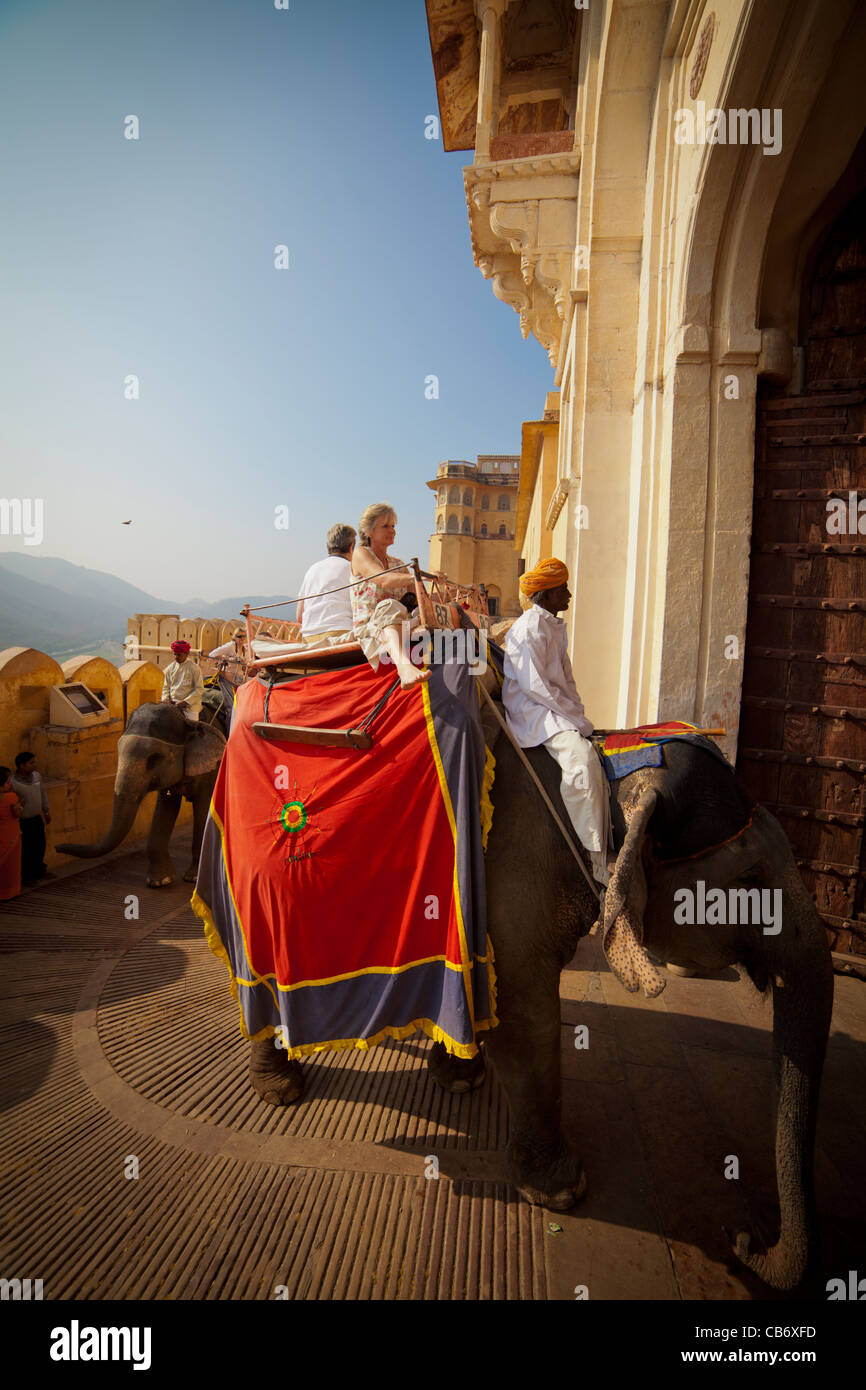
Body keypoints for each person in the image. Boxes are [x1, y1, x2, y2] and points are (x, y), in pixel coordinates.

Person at [502, 558, 613, 888]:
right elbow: (535, 686)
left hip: (554, 706)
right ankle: (596, 856)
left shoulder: (552, 625)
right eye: (563, 589)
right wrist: (570, 718)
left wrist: (579, 713)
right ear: (547, 595)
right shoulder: (528, 628)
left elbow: (565, 679)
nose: (569, 594)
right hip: (533, 710)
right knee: (582, 761)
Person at [350, 503, 431, 689]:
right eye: (385, 526)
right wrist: (416, 576)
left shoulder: (398, 563)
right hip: (371, 626)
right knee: (390, 605)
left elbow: (420, 596)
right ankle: (404, 668)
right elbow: (383, 579)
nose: (392, 531)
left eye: (393, 526)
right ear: (370, 531)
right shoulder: (361, 554)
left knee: (420, 611)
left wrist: (450, 591)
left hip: (401, 623)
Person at [297, 524, 357, 644]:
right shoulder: (353, 569)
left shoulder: (312, 569)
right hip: (341, 636)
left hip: (309, 639)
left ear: (327, 546)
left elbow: (300, 616)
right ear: (351, 547)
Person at [11, 752, 52, 885]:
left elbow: (43, 793)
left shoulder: (37, 776)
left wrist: (46, 811)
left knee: (39, 846)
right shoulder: (13, 782)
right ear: (21, 765)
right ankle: (26, 877)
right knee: (26, 849)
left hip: (36, 818)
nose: (34, 765)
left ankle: (39, 871)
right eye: (31, 763)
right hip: (23, 821)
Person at [161, 640, 204, 720]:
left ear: (187, 654)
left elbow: (199, 689)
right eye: (175, 654)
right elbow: (166, 687)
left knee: (191, 728)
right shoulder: (170, 668)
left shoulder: (194, 668)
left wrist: (185, 702)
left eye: (179, 655)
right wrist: (166, 699)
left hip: (189, 708)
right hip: (172, 705)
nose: (176, 657)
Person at [0, 766, 23, 901]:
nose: (11, 784)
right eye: (8, 782)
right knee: (11, 866)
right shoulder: (11, 797)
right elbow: (17, 814)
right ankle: (9, 892)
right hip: (10, 833)